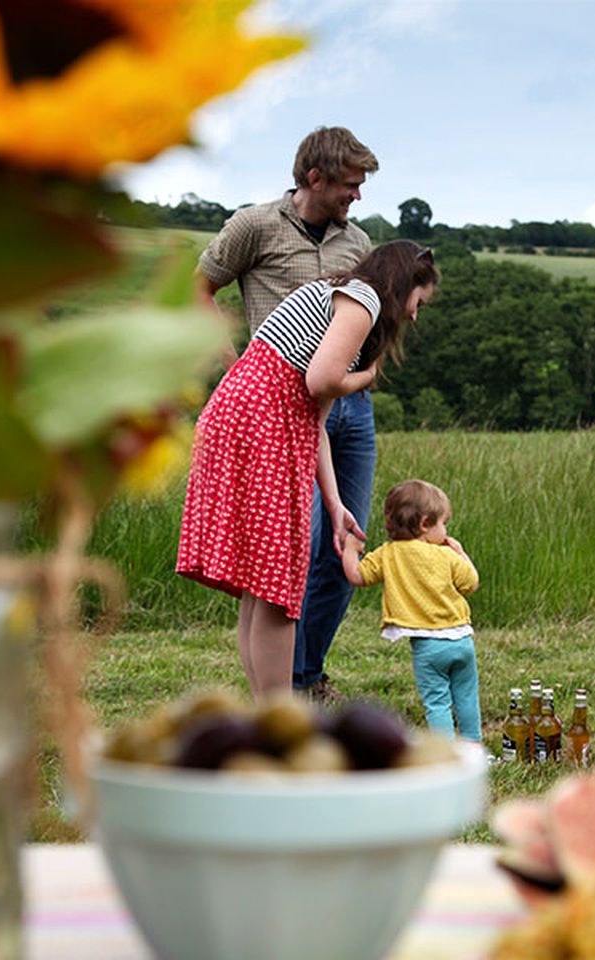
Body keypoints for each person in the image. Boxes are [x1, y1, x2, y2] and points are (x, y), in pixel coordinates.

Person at [178, 240, 439, 699]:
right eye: (419, 302)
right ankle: (282, 718)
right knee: (279, 586)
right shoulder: (363, 299)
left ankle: (268, 714)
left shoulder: (338, 295)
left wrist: (335, 504)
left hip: (247, 418)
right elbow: (322, 381)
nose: (415, 316)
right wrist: (368, 376)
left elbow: (313, 417)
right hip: (262, 424)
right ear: (404, 286)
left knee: (261, 583)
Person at [196, 126, 379, 703]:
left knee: (345, 543)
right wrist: (232, 366)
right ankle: (282, 689)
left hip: (351, 409)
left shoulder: (359, 243)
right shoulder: (254, 226)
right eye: (349, 185)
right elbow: (198, 289)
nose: (356, 197)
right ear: (314, 178)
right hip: (281, 408)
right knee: (284, 558)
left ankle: (305, 674)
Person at [340, 480, 481, 742]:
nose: (445, 529)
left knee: (437, 702)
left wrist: (350, 550)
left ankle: (445, 753)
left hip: (428, 648)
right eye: (443, 523)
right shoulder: (446, 555)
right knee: (466, 696)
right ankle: (474, 747)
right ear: (425, 523)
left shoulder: (388, 554)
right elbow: (471, 582)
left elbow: (357, 576)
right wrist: (461, 554)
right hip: (462, 641)